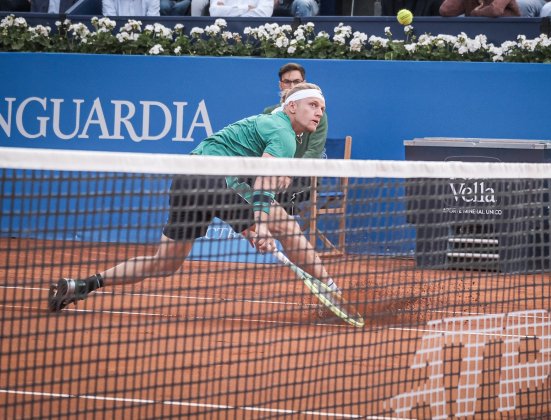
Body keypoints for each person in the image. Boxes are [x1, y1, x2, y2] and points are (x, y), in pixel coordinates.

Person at [48, 83, 342, 312]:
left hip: (188, 179)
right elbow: (264, 179)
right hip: (212, 179)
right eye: (312, 104)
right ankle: (331, 289)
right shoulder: (283, 132)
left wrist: (250, 229)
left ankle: (83, 285)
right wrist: (261, 227)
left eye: (323, 107)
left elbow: (242, 188)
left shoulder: (270, 124)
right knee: (286, 226)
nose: (319, 112)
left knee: (164, 263)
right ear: (291, 106)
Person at [262, 63, 328, 217]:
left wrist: (290, 173)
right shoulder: (269, 113)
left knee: (283, 193)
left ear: (303, 83)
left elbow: (314, 152)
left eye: (296, 82)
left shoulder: (319, 115)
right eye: (287, 82)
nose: (291, 86)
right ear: (280, 85)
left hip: (305, 177)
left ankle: (284, 233)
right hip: (276, 174)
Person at [439, 0, 520, 16]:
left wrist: (474, 13)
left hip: (506, 35)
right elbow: (445, 10)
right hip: (475, 40)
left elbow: (495, 10)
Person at [191, 0, 273, 16]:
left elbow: (264, 14)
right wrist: (246, 8)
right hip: (223, 39)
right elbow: (215, 12)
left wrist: (226, 10)